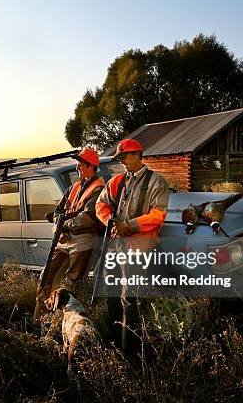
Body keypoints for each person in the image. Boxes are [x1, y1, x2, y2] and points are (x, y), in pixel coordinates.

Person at [95, 138, 169, 358]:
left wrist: (129, 225)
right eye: (119, 158)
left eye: (124, 157)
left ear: (138, 154)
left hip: (139, 248)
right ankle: (114, 345)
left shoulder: (157, 181)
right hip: (115, 246)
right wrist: (111, 222)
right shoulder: (117, 181)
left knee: (130, 300)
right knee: (110, 294)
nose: (122, 162)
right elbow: (101, 204)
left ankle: (131, 355)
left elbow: (158, 215)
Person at [34, 147, 106, 318]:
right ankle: (42, 320)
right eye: (77, 165)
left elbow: (86, 219)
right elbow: (57, 212)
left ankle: (70, 321)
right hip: (64, 238)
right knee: (45, 279)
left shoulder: (99, 189)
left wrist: (63, 225)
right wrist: (61, 225)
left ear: (91, 166)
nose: (77, 168)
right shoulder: (73, 188)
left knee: (72, 283)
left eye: (80, 165)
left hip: (83, 240)